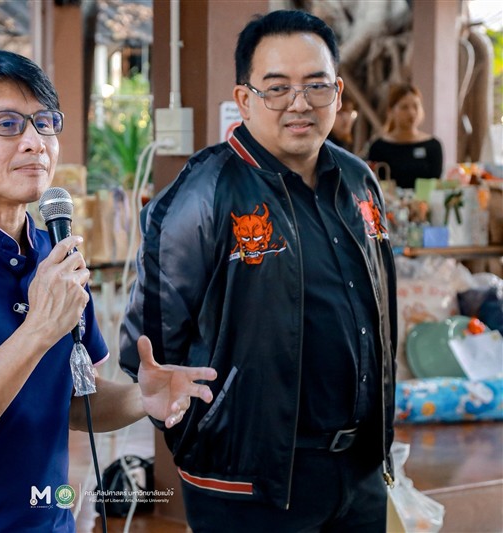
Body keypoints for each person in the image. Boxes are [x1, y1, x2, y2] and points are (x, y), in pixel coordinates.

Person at [0, 50, 216, 532]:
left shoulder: (56, 255)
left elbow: (70, 399)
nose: (36, 142)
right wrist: (38, 330)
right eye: (6, 124)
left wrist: (141, 398)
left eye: (45, 123)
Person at [120, 10, 397, 532]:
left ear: (338, 93)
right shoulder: (203, 192)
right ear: (244, 99)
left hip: (358, 471)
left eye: (315, 85)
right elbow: (151, 347)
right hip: (248, 485)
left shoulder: (358, 181)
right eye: (277, 88)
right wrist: (202, 433)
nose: (299, 102)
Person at [367, 83, 443, 188]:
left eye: (415, 106)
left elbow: (435, 182)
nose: (411, 112)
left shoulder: (433, 146)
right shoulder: (379, 147)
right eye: (404, 107)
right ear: (391, 111)